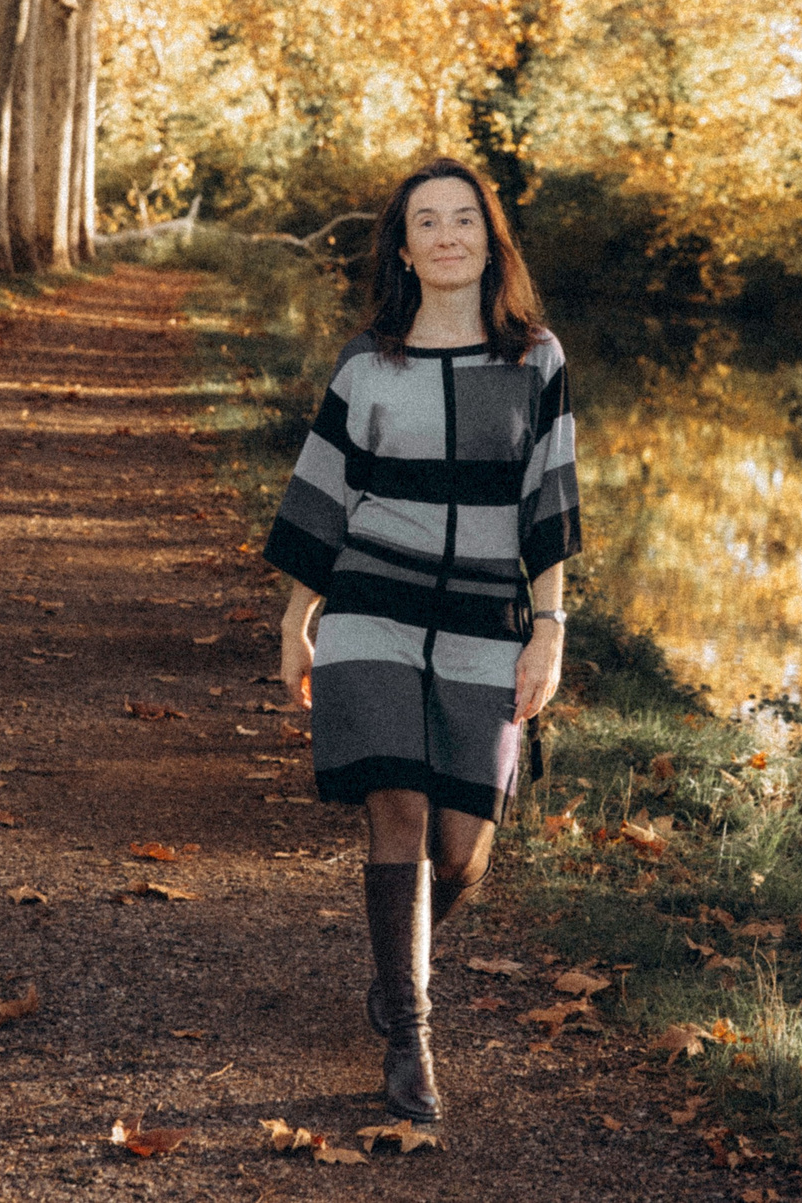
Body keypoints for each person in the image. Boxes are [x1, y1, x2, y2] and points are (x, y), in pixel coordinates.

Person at [266, 157, 579, 1121]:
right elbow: (324, 492)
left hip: (488, 609)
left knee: (463, 849)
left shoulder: (536, 361)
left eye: (465, 220)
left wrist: (550, 626)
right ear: (403, 247)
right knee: (395, 797)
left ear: (491, 240)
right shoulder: (369, 362)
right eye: (426, 222)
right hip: (374, 599)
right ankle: (411, 1033)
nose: (448, 236)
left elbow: (551, 503)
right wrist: (296, 617)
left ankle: (402, 954)